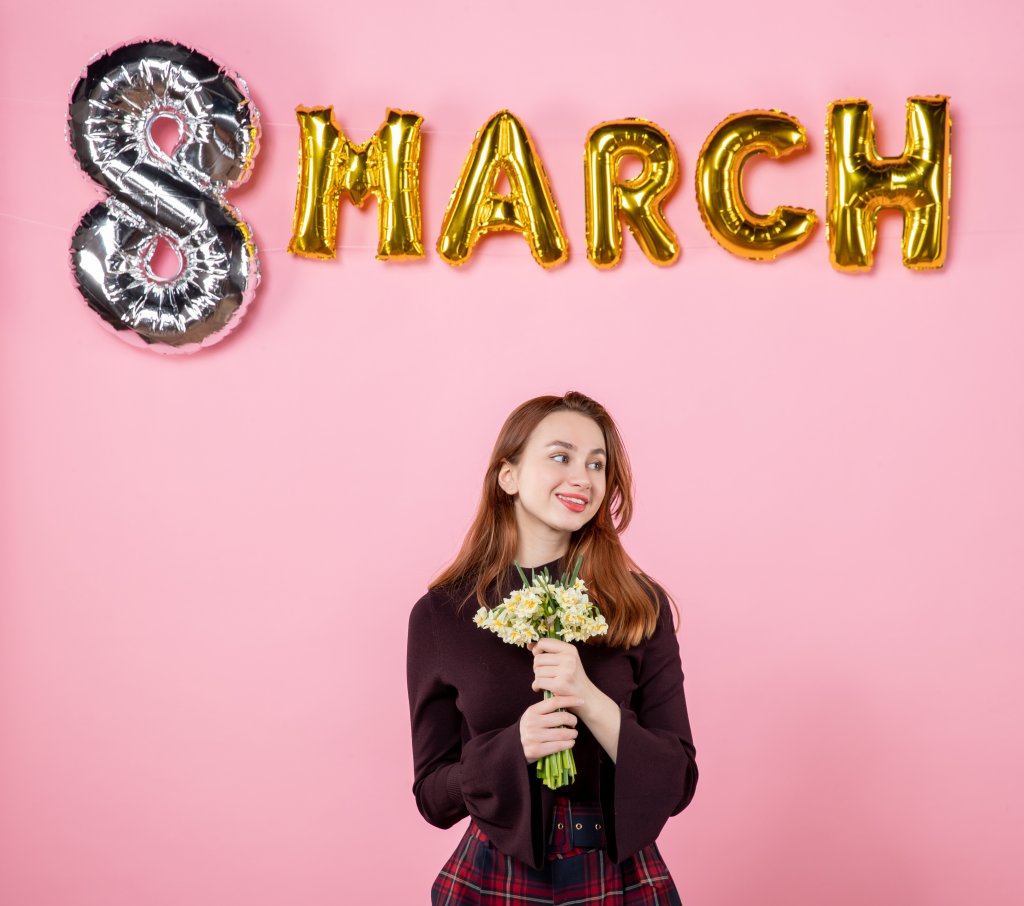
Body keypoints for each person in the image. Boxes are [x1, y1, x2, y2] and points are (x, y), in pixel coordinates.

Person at [406, 391, 698, 904]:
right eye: (560, 457)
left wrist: (588, 698)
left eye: (596, 463)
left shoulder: (639, 604)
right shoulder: (442, 614)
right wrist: (513, 745)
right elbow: (434, 798)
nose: (582, 478)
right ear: (509, 476)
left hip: (618, 876)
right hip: (496, 876)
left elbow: (678, 783)